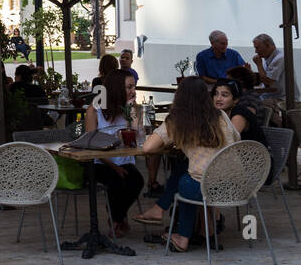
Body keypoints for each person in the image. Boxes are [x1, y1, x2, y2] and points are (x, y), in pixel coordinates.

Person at [133, 76, 239, 252]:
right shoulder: (220, 115)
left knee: (187, 183)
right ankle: (190, 226)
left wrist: (178, 140)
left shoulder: (178, 121)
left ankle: (182, 236)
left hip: (207, 187)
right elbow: (237, 138)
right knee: (187, 172)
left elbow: (147, 148)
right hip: (236, 185)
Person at [83, 70, 144, 236]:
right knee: (116, 180)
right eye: (129, 87)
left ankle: (116, 218)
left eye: (134, 87)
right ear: (116, 88)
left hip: (124, 161)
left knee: (136, 181)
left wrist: (133, 114)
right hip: (98, 162)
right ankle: (118, 219)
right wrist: (113, 166)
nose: (134, 91)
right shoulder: (94, 110)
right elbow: (91, 146)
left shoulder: (131, 108)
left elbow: (139, 139)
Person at [214, 79, 266, 147]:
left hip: (254, 156)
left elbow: (228, 140)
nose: (218, 99)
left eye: (224, 95)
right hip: (232, 153)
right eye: (216, 94)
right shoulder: (218, 113)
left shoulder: (239, 114)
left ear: (235, 100)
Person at [251, 32, 300, 99]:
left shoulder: (280, 58)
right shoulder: (268, 58)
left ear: (267, 45)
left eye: (257, 48)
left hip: (282, 99)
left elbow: (267, 83)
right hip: (270, 96)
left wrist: (259, 65)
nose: (256, 51)